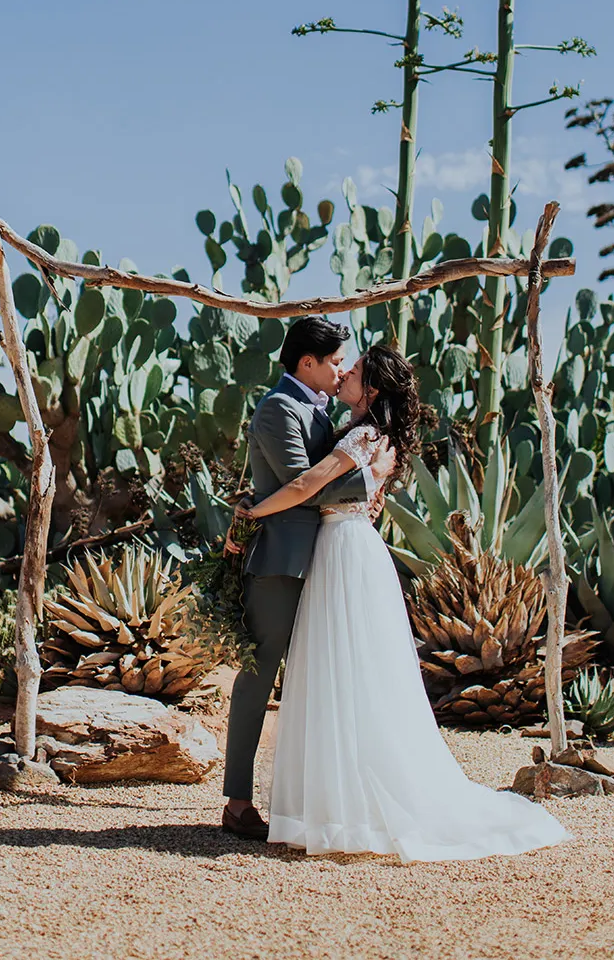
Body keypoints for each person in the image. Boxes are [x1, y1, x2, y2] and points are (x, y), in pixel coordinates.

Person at [238, 341, 572, 862]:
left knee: (347, 674)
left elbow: (308, 484)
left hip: (344, 553)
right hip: (342, 551)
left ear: (370, 390)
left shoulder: (365, 434)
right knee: (341, 675)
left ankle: (348, 807)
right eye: (339, 365)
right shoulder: (361, 432)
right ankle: (336, 805)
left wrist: (253, 513)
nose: (343, 372)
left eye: (355, 371)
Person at [220, 316, 396, 840]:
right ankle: (236, 801)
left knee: (330, 681)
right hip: (283, 563)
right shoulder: (279, 409)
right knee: (259, 677)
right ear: (307, 363)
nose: (342, 370)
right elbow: (307, 488)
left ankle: (329, 800)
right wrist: (371, 478)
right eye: (336, 361)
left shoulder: (322, 412)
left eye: (347, 363)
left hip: (325, 563)